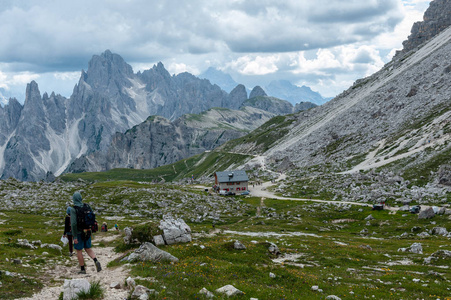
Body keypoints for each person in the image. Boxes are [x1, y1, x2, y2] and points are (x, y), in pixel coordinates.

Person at [70, 192, 102, 274]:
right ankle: (96, 260)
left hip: (79, 232)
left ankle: (82, 269)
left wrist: (75, 236)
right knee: (88, 248)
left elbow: (73, 223)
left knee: (79, 250)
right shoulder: (87, 206)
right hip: (88, 231)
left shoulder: (73, 209)